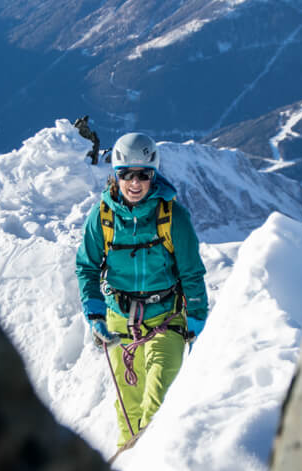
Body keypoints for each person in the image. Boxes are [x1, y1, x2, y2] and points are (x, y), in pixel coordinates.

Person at [75, 132, 208, 448]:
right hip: (118, 319)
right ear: (116, 175)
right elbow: (87, 266)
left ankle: (154, 462)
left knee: (159, 395)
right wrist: (95, 313)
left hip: (167, 317)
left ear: (154, 174)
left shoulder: (172, 216)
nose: (135, 183)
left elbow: (191, 271)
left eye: (143, 175)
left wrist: (197, 316)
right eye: (126, 175)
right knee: (128, 406)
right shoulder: (103, 217)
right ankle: (129, 463)